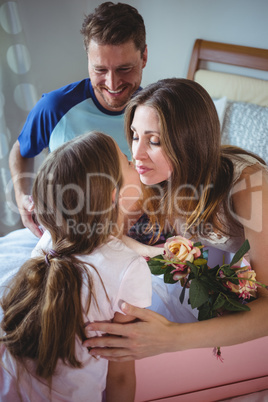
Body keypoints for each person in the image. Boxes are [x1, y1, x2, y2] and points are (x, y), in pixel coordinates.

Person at [82, 78, 268, 360]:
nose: (137, 154)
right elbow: (109, 231)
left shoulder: (250, 187)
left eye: (154, 141)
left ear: (189, 143)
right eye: (135, 135)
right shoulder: (156, 173)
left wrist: (171, 338)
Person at [0, 131, 152, 401]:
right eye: (126, 161)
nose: (133, 160)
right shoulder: (130, 269)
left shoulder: (50, 238)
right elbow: (121, 375)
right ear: (113, 196)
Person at [8, 1, 147, 238]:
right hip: (68, 235)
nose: (112, 84)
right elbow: (21, 151)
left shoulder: (156, 114)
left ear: (144, 57)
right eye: (100, 70)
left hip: (137, 236)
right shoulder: (55, 107)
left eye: (125, 68)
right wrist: (22, 198)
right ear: (88, 60)